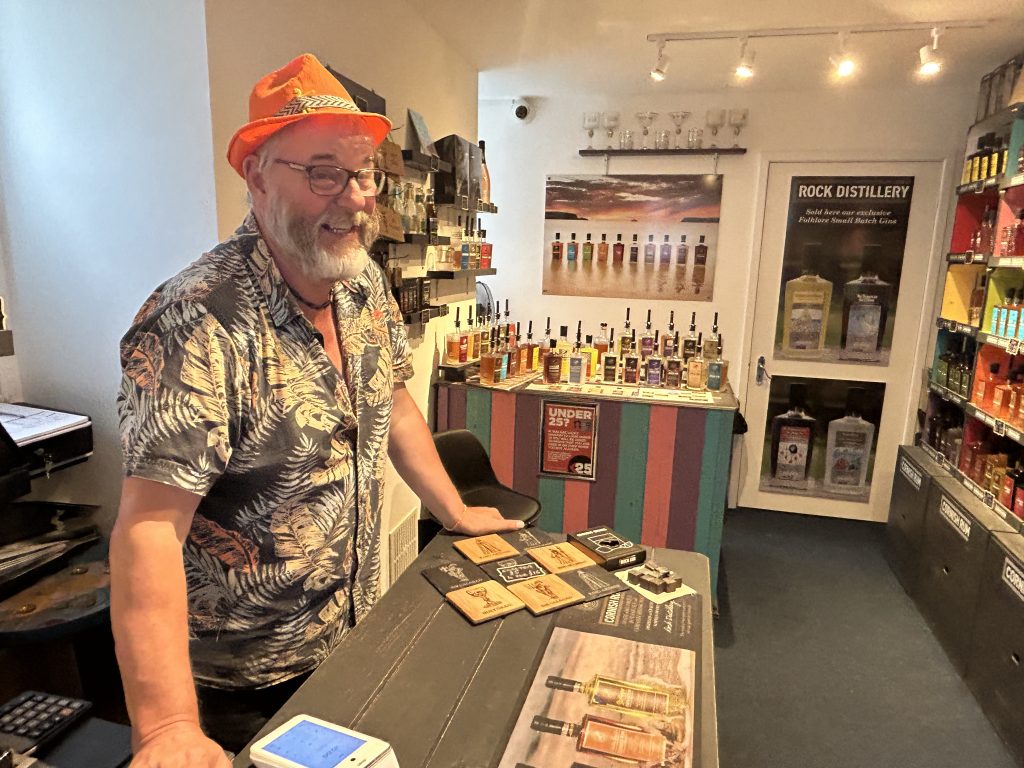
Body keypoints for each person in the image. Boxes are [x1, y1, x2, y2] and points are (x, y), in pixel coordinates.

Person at [110, 53, 523, 768]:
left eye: (364, 173)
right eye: (324, 172)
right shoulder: (196, 319)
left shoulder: (362, 285)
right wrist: (165, 727)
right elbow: (148, 529)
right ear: (257, 173)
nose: (357, 196)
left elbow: (393, 405)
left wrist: (453, 512)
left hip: (350, 637)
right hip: (241, 687)